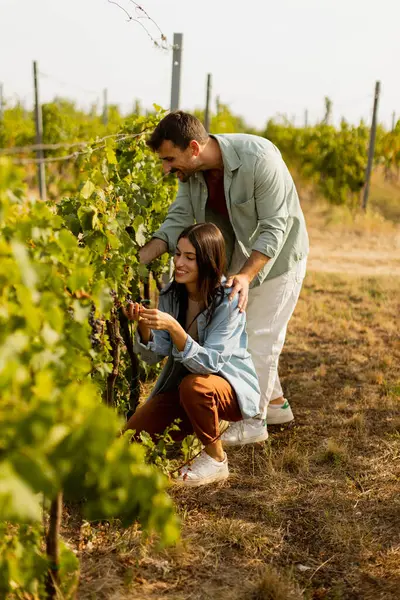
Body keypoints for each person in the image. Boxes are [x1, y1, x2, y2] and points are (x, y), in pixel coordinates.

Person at [138, 111, 309, 446]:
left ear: (193, 148)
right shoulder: (193, 177)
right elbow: (179, 220)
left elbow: (276, 226)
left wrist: (245, 276)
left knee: (260, 335)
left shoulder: (259, 159)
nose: (166, 168)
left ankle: (253, 423)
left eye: (170, 159)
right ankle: (274, 405)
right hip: (234, 265)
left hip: (278, 262)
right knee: (241, 336)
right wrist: (142, 256)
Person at [124, 223, 262, 486]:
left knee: (195, 386)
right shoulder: (171, 295)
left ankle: (216, 461)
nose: (179, 263)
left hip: (227, 390)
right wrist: (142, 322)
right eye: (177, 254)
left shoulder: (228, 300)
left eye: (189, 257)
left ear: (208, 262)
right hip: (185, 391)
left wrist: (175, 328)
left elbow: (209, 363)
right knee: (128, 440)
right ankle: (196, 424)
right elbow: (155, 355)